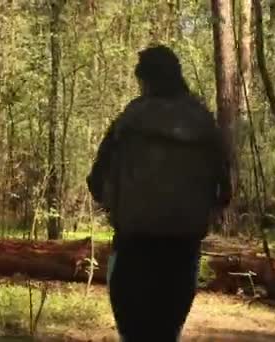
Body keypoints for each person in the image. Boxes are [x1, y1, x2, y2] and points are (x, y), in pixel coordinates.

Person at [87, 45, 231, 341]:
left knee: (135, 334)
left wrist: (116, 205)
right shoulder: (202, 121)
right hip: (182, 250)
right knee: (166, 333)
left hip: (132, 247)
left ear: (145, 80)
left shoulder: (130, 119)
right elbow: (224, 189)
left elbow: (96, 181)